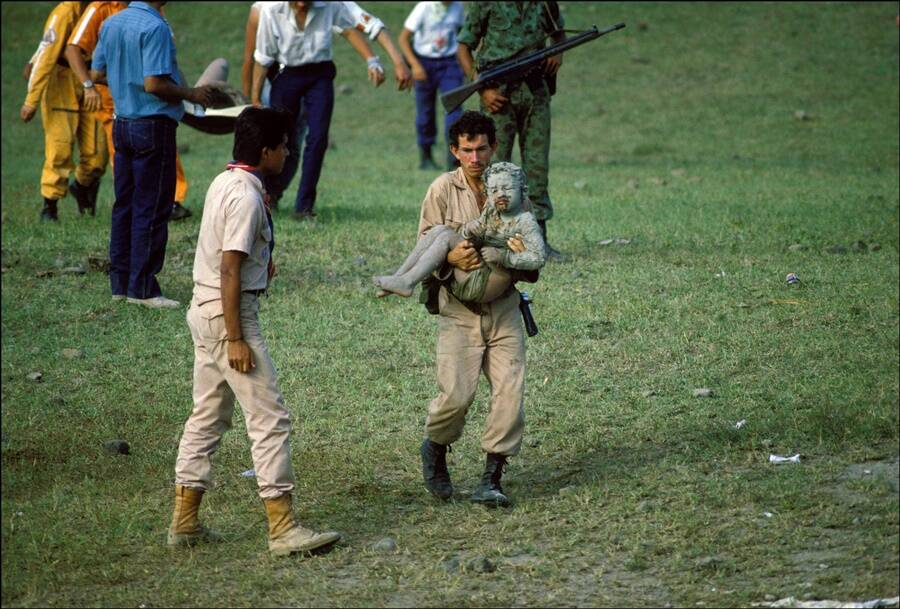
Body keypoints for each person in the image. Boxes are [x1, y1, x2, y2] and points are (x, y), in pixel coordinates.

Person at [168, 106, 341, 557]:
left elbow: (234, 259)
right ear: (265, 151)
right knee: (269, 419)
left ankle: (184, 521)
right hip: (229, 316)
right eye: (283, 145)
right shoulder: (246, 196)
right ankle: (282, 528)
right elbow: (229, 269)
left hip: (203, 309)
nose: (287, 152)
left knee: (207, 414)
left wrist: (262, 265)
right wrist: (238, 338)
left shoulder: (227, 181)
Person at [415, 111, 539, 508]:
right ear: (454, 151)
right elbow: (424, 245)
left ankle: (492, 476)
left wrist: (502, 252)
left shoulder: (513, 188)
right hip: (459, 309)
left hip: (504, 306)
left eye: (482, 148)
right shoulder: (440, 190)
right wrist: (451, 255)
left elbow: (532, 249)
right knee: (455, 395)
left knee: (510, 392)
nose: (475, 157)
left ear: (494, 147)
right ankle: (435, 447)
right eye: (466, 150)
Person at [91, 1, 217, 308]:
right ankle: (144, 288)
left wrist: (125, 80)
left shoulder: (112, 23)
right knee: (153, 206)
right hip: (152, 125)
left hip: (122, 124)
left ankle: (120, 283)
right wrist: (192, 94)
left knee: (125, 204)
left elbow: (96, 72)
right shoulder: (156, 27)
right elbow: (154, 83)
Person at [250, 1, 385, 220]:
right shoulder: (271, 10)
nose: (303, 4)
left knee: (318, 138)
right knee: (278, 137)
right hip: (287, 75)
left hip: (319, 75)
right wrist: (255, 97)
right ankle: (268, 194)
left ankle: (304, 206)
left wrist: (372, 61)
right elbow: (263, 57)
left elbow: (349, 30)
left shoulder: (328, 5)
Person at [65, 1, 195, 221]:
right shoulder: (101, 9)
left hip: (149, 107)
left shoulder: (152, 11)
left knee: (157, 160)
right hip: (118, 106)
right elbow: (72, 48)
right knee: (122, 170)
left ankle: (171, 201)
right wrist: (88, 86)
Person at [457, 2, 567, 261]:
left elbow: (558, 33)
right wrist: (481, 87)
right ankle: (493, 239)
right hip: (498, 96)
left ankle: (539, 238)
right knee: (495, 171)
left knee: (537, 166)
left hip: (535, 92)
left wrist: (557, 53)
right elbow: (463, 47)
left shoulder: (543, 2)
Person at [373, 161, 545, 301]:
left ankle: (406, 282)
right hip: (474, 270)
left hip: (486, 281)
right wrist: (470, 229)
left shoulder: (525, 221)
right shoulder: (492, 210)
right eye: (494, 190)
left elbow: (538, 258)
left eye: (507, 188)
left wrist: (503, 256)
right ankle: (400, 278)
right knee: (440, 230)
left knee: (447, 236)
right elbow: (469, 235)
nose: (500, 194)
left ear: (522, 191)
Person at [21, 1, 108, 222]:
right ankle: (49, 205)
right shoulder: (65, 12)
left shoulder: (105, 8)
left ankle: (81, 187)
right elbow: (46, 56)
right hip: (61, 83)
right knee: (60, 146)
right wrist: (31, 101)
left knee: (97, 154)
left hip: (93, 81)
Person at [241, 1, 411, 106]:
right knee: (275, 137)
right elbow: (251, 58)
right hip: (274, 75)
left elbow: (355, 27)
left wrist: (380, 60)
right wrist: (248, 102)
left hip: (312, 75)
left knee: (297, 139)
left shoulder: (327, 4)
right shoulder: (263, 9)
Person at [398, 1, 465, 171]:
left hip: (450, 63)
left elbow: (463, 35)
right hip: (424, 62)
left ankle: (454, 159)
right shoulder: (424, 7)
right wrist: (415, 65)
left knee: (454, 110)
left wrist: (466, 64)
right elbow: (403, 38)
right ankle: (426, 156)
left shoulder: (458, 7)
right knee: (425, 112)